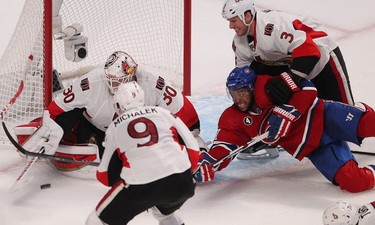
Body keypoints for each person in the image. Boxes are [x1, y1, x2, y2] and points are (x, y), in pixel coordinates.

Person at [194, 65, 375, 194]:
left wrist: (286, 112)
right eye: (233, 94)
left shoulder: (268, 86)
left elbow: (308, 87)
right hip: (314, 146)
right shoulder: (232, 119)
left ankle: (360, 110)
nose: (238, 99)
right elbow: (224, 147)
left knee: (370, 124)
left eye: (241, 93)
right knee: (353, 182)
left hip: (324, 115)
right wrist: (209, 163)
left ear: (252, 89)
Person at [15, 51, 203, 171]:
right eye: (112, 81)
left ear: (134, 74)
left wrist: (194, 140)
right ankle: (37, 134)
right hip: (97, 127)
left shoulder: (154, 82)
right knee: (71, 133)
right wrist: (50, 124)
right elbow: (59, 106)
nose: (116, 85)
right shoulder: (90, 84)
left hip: (135, 135)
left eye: (122, 80)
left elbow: (188, 116)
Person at [85, 81, 199, 225]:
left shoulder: (114, 126)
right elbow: (194, 150)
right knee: (164, 214)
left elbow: (104, 176)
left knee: (97, 220)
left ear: (118, 104)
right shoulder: (164, 113)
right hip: (183, 183)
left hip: (142, 187)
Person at [222, 0, 354, 106]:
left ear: (247, 16)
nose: (230, 26)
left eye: (233, 21)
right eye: (229, 21)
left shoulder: (273, 27)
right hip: (289, 60)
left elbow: (310, 52)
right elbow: (246, 76)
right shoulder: (239, 43)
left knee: (345, 111)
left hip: (321, 56)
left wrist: (287, 81)